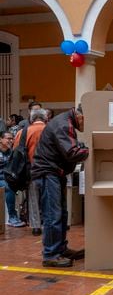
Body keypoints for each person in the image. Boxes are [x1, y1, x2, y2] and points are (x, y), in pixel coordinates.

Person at [31, 105, 89, 267]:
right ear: (80, 116)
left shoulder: (66, 122)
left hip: (55, 173)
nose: (86, 126)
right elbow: (71, 152)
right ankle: (50, 254)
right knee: (53, 215)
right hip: (48, 173)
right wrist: (90, 151)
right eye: (87, 121)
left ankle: (60, 249)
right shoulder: (64, 124)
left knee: (61, 214)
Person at [14, 108, 48, 236]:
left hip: (31, 169)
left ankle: (36, 226)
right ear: (45, 118)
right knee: (48, 198)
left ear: (31, 119)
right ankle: (48, 224)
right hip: (50, 170)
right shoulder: (52, 130)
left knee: (33, 198)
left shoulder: (22, 132)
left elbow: (16, 152)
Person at [0, 131, 26, 227]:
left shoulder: (12, 152)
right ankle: (12, 217)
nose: (11, 141)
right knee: (8, 187)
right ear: (0, 139)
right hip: (2, 179)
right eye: (8, 138)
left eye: (12, 138)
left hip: (9, 178)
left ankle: (25, 214)